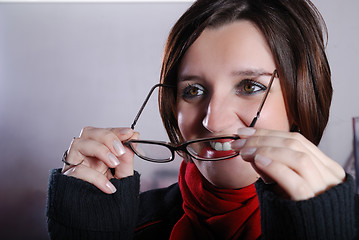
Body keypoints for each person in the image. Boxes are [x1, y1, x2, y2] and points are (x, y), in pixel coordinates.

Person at [46, 0, 358, 239]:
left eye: (250, 86)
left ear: (303, 97)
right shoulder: (133, 221)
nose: (213, 121)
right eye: (193, 90)